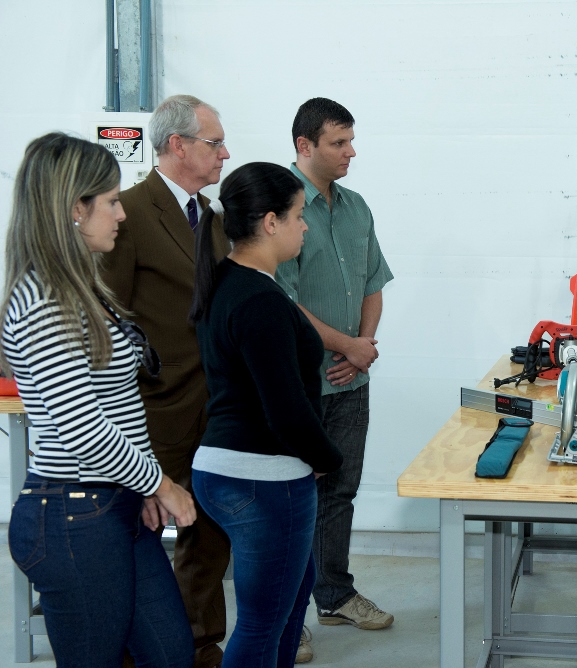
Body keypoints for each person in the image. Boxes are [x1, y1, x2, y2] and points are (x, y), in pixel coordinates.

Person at [2, 132, 197, 667]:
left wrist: (145, 486)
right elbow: (83, 429)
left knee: (171, 653)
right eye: (111, 201)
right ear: (73, 209)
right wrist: (163, 484)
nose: (121, 213)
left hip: (113, 505)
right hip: (72, 517)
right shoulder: (44, 299)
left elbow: (122, 411)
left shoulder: (80, 289)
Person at [189, 162, 344, 667]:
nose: (306, 226)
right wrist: (327, 457)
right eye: (299, 216)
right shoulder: (259, 299)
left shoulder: (230, 282)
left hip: (229, 470)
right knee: (260, 624)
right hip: (263, 478)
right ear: (271, 221)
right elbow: (285, 408)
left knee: (286, 607)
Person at [102, 94, 232, 668]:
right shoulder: (127, 213)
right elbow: (106, 318)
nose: (225, 153)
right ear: (178, 145)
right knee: (139, 536)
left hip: (219, 407)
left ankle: (200, 642)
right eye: (214, 143)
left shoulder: (217, 220)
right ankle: (131, 649)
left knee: (211, 534)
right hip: (152, 411)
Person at [276, 97, 394, 636]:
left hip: (351, 379)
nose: (351, 152)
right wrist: (346, 344)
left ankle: (334, 594)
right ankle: (285, 617)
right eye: (338, 143)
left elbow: (373, 282)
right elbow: (282, 301)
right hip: (298, 384)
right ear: (305, 146)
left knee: (340, 492)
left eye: (351, 140)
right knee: (289, 500)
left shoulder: (357, 207)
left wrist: (361, 344)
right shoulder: (277, 211)